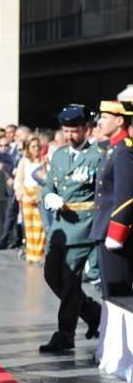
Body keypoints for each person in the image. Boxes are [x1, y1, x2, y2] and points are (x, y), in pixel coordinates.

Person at [39, 104, 103, 353]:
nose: (69, 136)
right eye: (66, 131)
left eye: (74, 131)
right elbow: (48, 185)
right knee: (51, 276)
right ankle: (92, 311)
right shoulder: (59, 155)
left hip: (82, 227)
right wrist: (49, 197)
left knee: (69, 281)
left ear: (86, 129)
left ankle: (65, 333)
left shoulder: (97, 156)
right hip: (60, 228)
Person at [92, 100, 133, 368]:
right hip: (104, 230)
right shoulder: (112, 149)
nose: (99, 121)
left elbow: (127, 196)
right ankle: (112, 353)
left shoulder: (124, 151)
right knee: (110, 295)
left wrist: (116, 233)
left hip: (115, 235)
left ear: (120, 120)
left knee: (121, 296)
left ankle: (127, 359)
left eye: (105, 117)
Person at [15, 135, 47, 263]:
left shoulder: (43, 161)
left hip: (38, 194)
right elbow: (20, 179)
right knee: (28, 226)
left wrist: (38, 196)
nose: (35, 149)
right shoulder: (24, 161)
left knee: (39, 226)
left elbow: (45, 180)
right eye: (33, 146)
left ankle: (39, 253)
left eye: (37, 146)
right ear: (28, 148)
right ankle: (31, 253)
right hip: (26, 195)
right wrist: (23, 194)